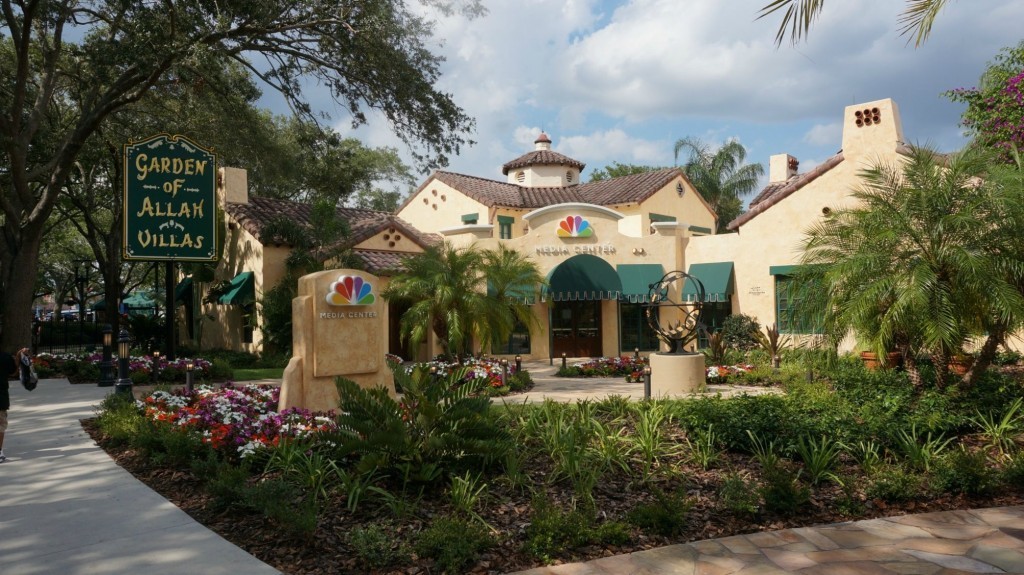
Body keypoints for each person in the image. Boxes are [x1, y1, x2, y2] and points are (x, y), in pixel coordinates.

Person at [0, 347, 20, 463]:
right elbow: (13, 372)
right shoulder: (5, 357)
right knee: (0, 425)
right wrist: (17, 358)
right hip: (0, 396)